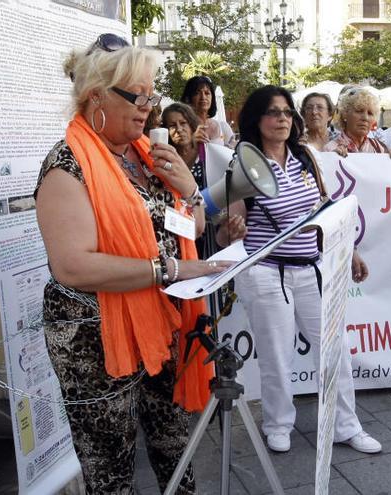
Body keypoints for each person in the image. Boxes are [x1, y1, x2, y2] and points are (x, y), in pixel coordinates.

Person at [34, 35, 229, 493]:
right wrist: (168, 272)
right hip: (93, 340)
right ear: (95, 96)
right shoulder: (67, 166)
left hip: (163, 325)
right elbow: (73, 267)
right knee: (111, 469)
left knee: (176, 446)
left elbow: (193, 229)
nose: (148, 107)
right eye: (136, 96)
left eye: (151, 95)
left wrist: (188, 188)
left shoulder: (145, 156)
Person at [217, 85, 381, 455]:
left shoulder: (305, 156)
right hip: (266, 271)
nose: (283, 119)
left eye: (288, 112)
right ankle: (278, 424)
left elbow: (323, 207)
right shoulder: (243, 162)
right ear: (256, 120)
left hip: (311, 268)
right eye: (274, 113)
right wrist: (231, 229)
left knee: (334, 348)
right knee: (276, 355)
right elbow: (228, 224)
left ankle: (345, 425)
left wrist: (350, 249)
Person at [324, 87, 391, 158]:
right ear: (345, 114)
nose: (365, 118)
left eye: (370, 113)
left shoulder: (379, 148)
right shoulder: (330, 149)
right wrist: (332, 158)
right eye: (359, 111)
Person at [180, 75, 234, 146]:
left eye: (207, 93)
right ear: (188, 98)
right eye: (197, 93)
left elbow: (232, 153)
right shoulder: (181, 128)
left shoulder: (222, 127)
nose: (203, 97)